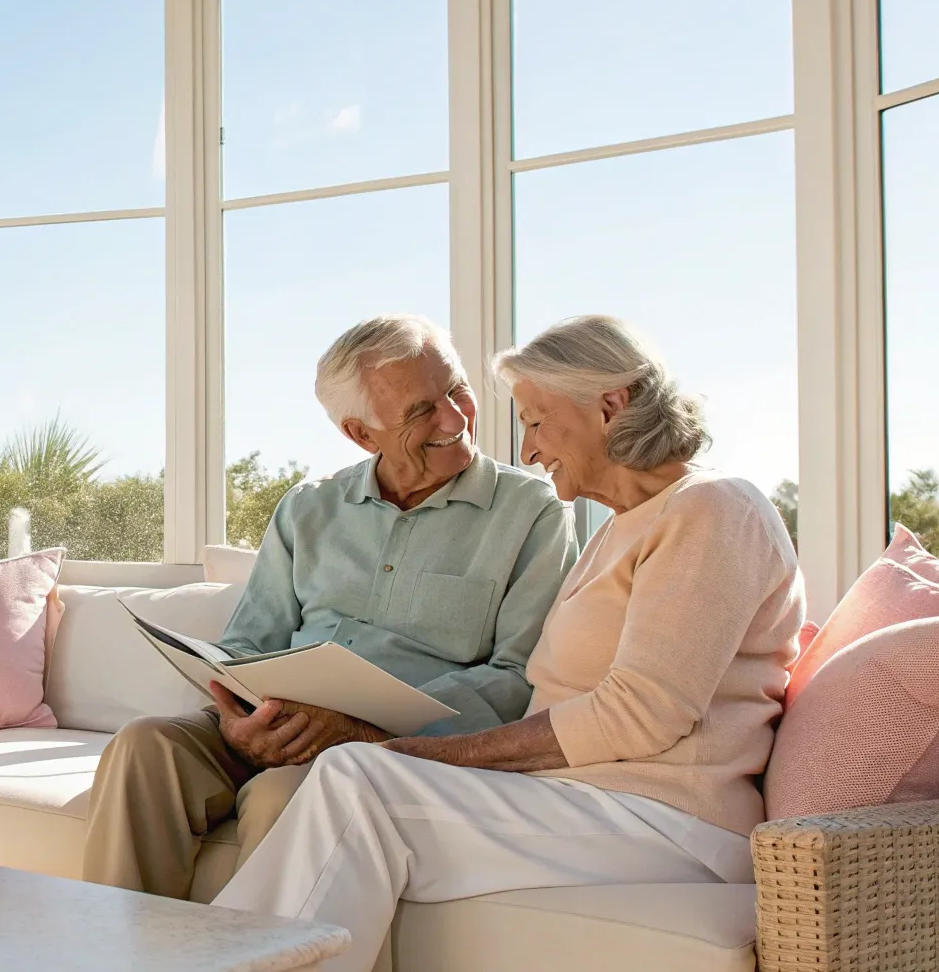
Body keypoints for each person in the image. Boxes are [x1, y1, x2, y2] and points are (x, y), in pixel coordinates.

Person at [213, 315, 806, 972]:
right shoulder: (624, 527)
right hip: (583, 804)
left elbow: (642, 711)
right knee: (351, 790)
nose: (526, 449)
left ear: (609, 407)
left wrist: (420, 752)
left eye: (536, 420)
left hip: (669, 822)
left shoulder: (715, 507)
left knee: (359, 779)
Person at [83, 315, 577, 899]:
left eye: (456, 388)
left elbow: (518, 677)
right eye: (420, 411)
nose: (454, 417)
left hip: (392, 749)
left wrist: (360, 731)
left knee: (282, 794)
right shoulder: (307, 508)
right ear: (361, 434)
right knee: (144, 746)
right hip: (277, 723)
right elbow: (247, 645)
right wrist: (237, 723)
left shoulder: (532, 512)